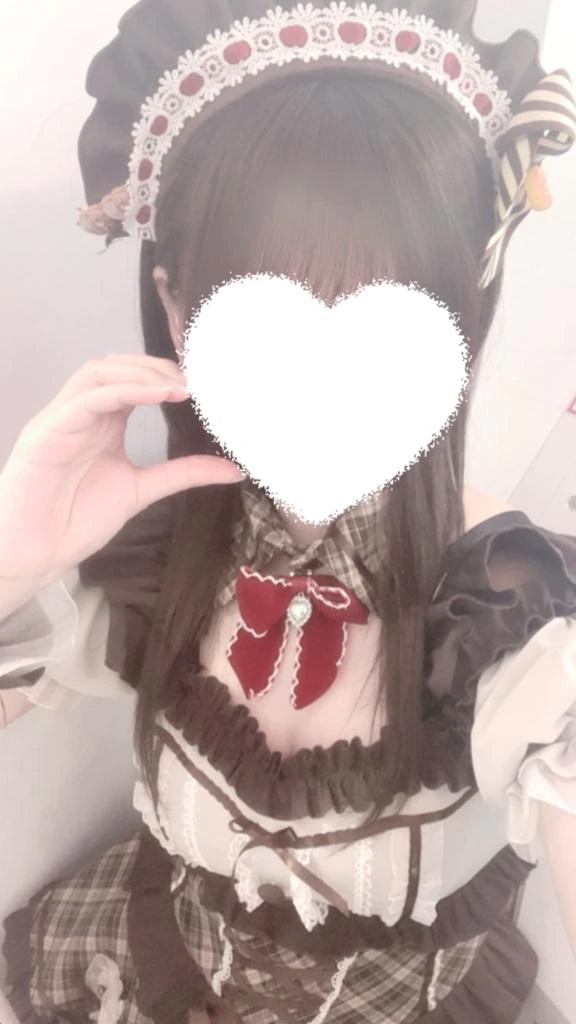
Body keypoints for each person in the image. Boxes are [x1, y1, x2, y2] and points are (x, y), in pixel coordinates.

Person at [1, 1, 576, 1022]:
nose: (326, 392)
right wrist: (14, 558)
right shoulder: (155, 553)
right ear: (177, 307)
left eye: (389, 324)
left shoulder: (507, 611)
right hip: (157, 961)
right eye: (265, 319)